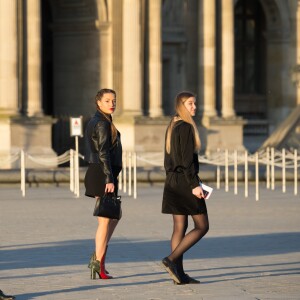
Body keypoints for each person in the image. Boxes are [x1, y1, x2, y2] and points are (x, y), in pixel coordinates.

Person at [161, 91, 209, 285]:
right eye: (190, 104)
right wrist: (194, 185)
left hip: (172, 181)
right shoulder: (187, 127)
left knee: (180, 227)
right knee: (202, 226)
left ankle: (178, 275)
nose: (194, 107)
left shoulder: (172, 125)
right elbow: (186, 161)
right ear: (181, 105)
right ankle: (171, 260)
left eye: (194, 104)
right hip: (185, 182)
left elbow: (171, 159)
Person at [84, 88, 122, 279]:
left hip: (101, 172)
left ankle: (98, 257)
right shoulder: (101, 123)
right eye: (107, 101)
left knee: (112, 217)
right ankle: (98, 263)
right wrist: (109, 178)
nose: (112, 104)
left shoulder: (102, 120)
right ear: (98, 102)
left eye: (114, 100)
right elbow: (103, 152)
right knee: (106, 220)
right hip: (102, 173)